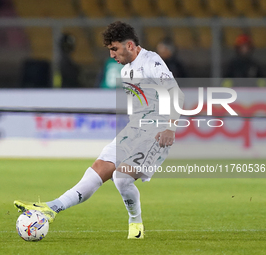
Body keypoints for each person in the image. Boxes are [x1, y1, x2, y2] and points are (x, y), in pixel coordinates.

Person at [14, 21, 184, 239]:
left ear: (130, 45)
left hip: (157, 132)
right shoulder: (127, 70)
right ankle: (52, 208)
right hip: (135, 130)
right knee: (99, 167)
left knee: (121, 178)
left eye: (114, 48)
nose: (112, 54)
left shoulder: (151, 62)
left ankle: (136, 223)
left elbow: (176, 93)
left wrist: (171, 127)